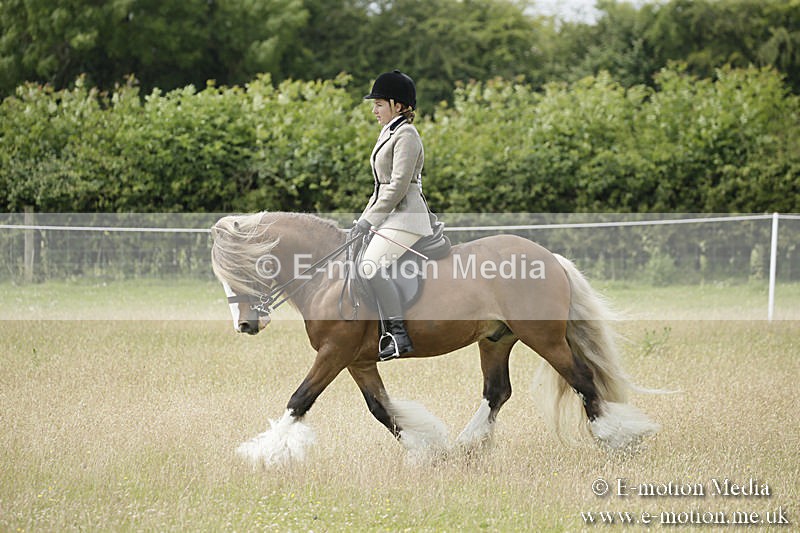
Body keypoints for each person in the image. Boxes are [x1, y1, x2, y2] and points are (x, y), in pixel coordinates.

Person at [351, 70, 433, 361]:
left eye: (379, 104)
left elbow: (397, 187)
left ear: (398, 105)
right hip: (389, 216)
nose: (374, 110)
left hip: (406, 216)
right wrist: (363, 220)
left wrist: (370, 220)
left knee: (369, 266)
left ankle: (397, 335)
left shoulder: (407, 135)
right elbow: (379, 188)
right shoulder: (389, 132)